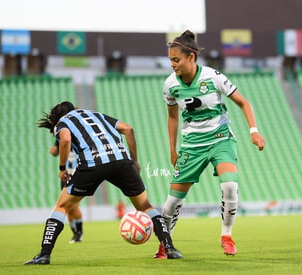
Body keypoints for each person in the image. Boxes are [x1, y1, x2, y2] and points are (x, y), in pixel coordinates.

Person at [24, 101, 183, 265]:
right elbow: (128, 129)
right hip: (122, 161)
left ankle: (44, 254)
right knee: (145, 206)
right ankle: (169, 248)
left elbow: (65, 140)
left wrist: (62, 168)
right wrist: (134, 161)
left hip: (92, 164)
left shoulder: (62, 122)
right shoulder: (96, 114)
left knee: (62, 206)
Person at [154, 30, 265, 258]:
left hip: (220, 139)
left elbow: (243, 103)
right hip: (192, 146)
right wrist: (172, 149)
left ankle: (226, 236)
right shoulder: (169, 85)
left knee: (229, 186)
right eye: (170, 60)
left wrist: (254, 132)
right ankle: (165, 244)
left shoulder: (213, 77)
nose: (173, 64)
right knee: (172, 202)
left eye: (176, 59)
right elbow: (173, 117)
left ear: (191, 57)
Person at [49, 141, 83, 243]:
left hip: (77, 175)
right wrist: (54, 151)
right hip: (65, 177)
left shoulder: (79, 137)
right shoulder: (61, 137)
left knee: (74, 206)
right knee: (67, 207)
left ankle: (79, 233)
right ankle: (74, 233)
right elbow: (56, 150)